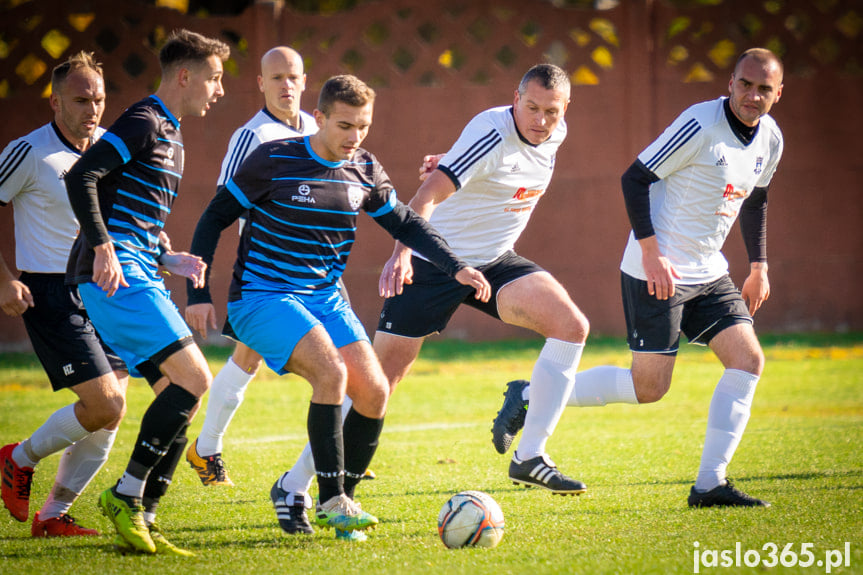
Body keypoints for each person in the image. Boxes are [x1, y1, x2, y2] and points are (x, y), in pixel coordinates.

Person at [188, 74, 490, 537]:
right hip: (262, 295)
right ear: (320, 118)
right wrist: (197, 292)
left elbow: (405, 223)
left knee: (373, 391)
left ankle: (321, 496)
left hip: (324, 297)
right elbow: (214, 217)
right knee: (332, 374)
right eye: (345, 126)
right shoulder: (273, 159)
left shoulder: (364, 168)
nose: (355, 137)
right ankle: (329, 499)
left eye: (363, 127)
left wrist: (457, 267)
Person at [492, 48, 784, 508]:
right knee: (649, 389)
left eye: (763, 88)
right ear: (730, 83)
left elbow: (756, 200)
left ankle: (709, 484)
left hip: (710, 273)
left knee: (748, 361)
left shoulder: (770, 138)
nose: (752, 95)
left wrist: (758, 266)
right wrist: (652, 253)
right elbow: (635, 178)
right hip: (656, 270)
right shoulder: (700, 124)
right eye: (745, 84)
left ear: (777, 94)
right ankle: (530, 395)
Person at [375, 63, 591, 495]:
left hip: (493, 262)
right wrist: (401, 253)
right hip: (435, 262)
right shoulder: (492, 133)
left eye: (552, 111)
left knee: (571, 327)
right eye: (531, 107)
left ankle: (529, 456)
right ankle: (334, 463)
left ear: (565, 109)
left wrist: (457, 161)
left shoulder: (554, 133)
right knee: (380, 383)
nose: (540, 120)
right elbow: (424, 196)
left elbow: (489, 167)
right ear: (515, 98)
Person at [64, 29, 230, 554]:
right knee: (195, 378)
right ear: (185, 75)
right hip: (113, 275)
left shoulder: (171, 133)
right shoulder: (144, 119)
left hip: (138, 268)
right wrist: (105, 248)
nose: (219, 90)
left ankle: (146, 513)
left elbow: (127, 209)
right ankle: (125, 494)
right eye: (214, 77)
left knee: (179, 396)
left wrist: (166, 255)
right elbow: (82, 177)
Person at [184, 46, 325, 488]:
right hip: (267, 268)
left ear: (305, 81)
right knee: (317, 361)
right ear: (261, 84)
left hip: (313, 265)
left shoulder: (316, 127)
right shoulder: (252, 135)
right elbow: (224, 206)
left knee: (250, 357)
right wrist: (198, 286)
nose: (286, 85)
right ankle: (329, 452)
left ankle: (207, 449)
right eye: (276, 77)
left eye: (293, 77)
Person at [0, 52, 127, 539]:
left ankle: (53, 515)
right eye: (80, 99)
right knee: (105, 405)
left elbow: (123, 220)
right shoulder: (28, 151)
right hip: (51, 292)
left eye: (98, 98)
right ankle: (18, 458)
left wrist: (166, 254)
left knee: (108, 416)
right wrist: (4, 279)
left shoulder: (109, 153)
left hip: (103, 289)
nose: (92, 108)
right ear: (54, 102)